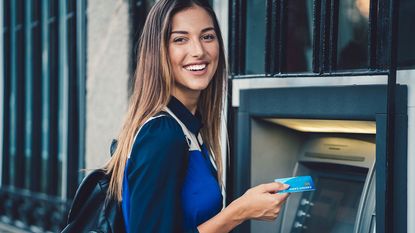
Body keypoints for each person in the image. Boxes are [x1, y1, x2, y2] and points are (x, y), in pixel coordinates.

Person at [103, 0, 290, 232]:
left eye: (207, 36)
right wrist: (238, 212)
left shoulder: (188, 127)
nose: (199, 51)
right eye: (180, 39)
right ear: (158, 51)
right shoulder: (163, 134)